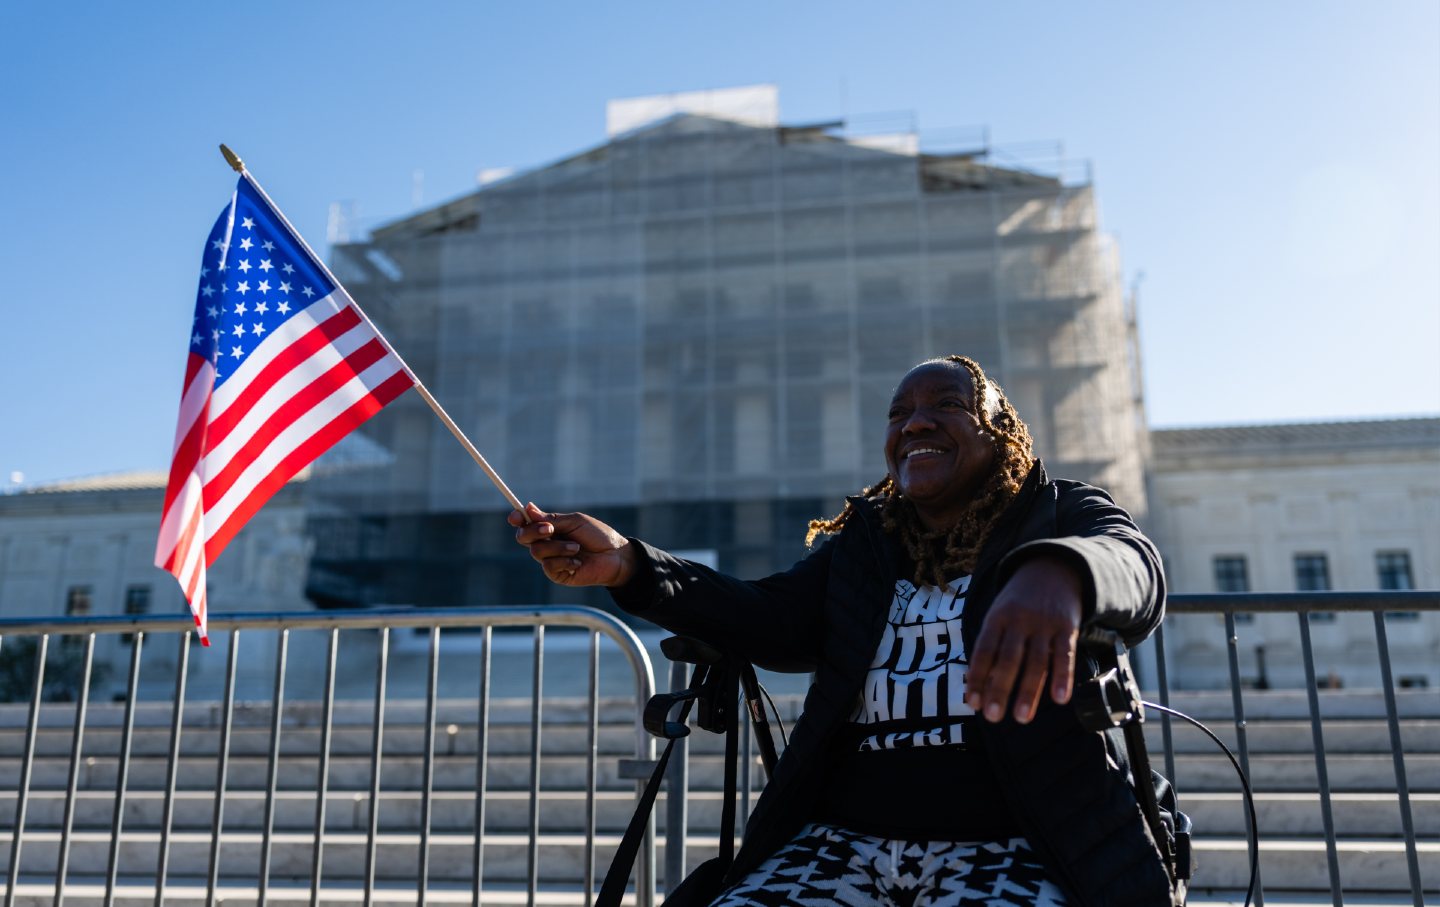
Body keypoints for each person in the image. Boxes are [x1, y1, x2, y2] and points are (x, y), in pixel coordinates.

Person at [511, 355, 1174, 907]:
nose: (916, 420)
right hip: (840, 840)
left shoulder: (1056, 510)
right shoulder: (866, 543)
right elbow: (770, 619)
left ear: (1002, 430)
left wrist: (1059, 573)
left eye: (947, 403)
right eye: (899, 411)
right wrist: (628, 561)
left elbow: (1135, 562)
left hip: (1016, 841)